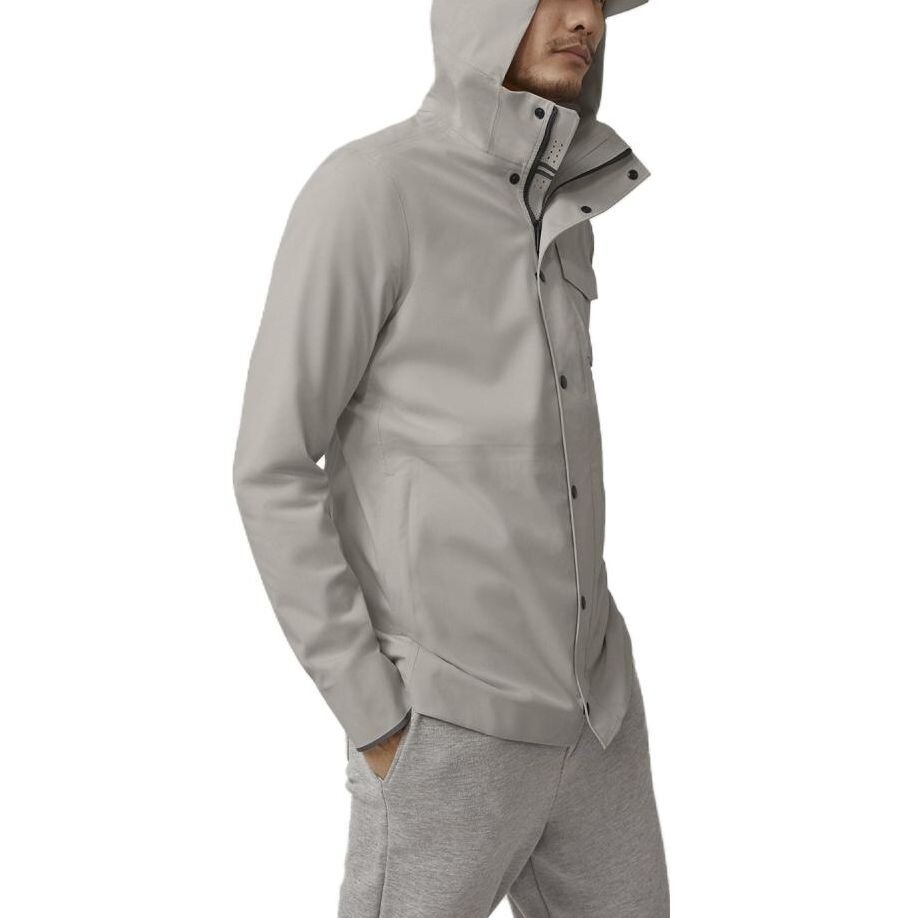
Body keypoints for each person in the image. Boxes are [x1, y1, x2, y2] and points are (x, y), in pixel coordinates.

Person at [232, 0, 669, 914]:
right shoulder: (371, 191)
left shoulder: (565, 207)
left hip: (597, 716)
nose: (585, 20)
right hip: (448, 724)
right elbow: (272, 464)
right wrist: (376, 715)